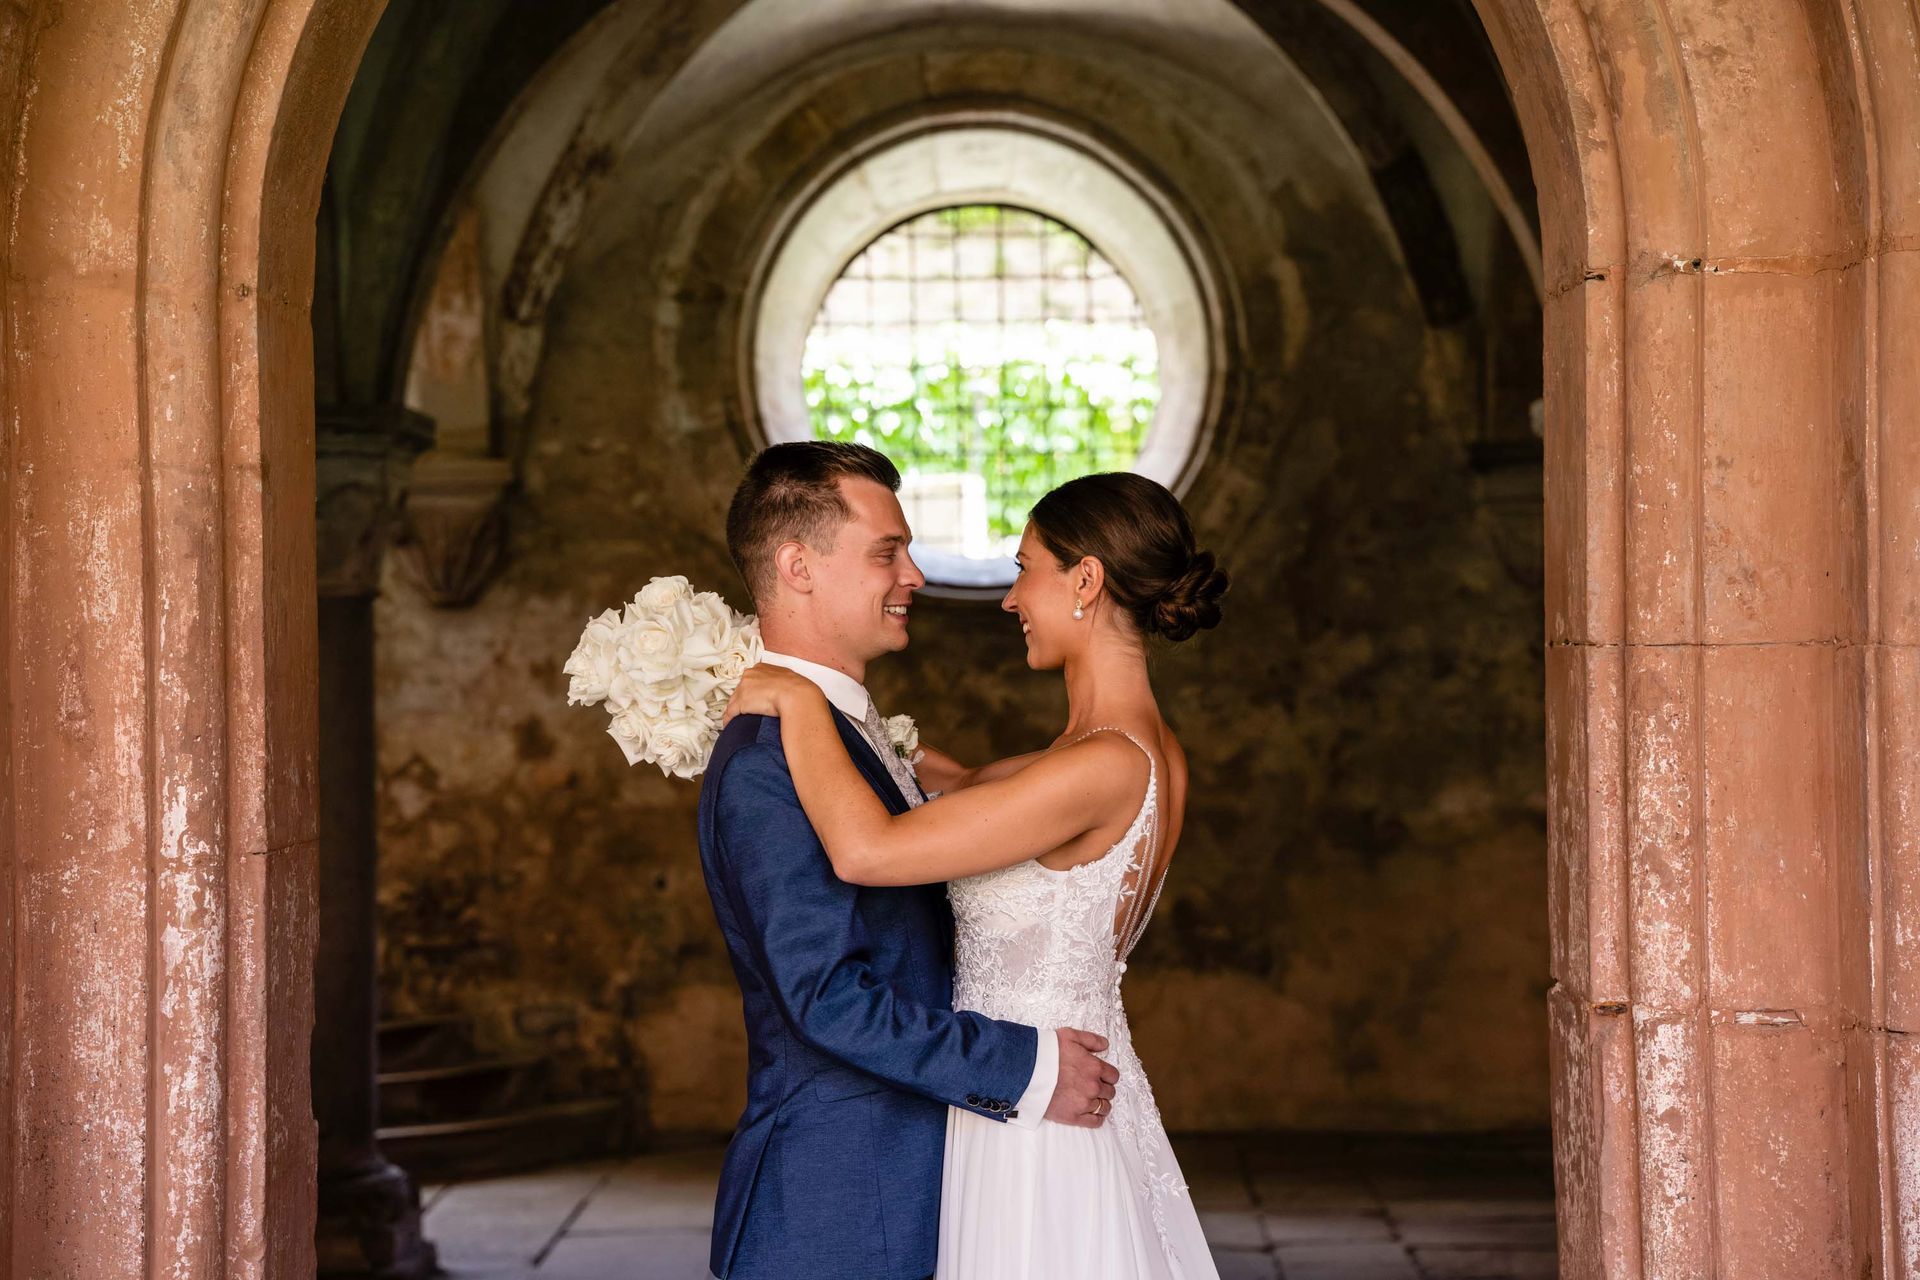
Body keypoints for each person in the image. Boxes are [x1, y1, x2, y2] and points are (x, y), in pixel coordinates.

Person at [725, 468, 1229, 1280]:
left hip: (1035, 1121)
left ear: (1086, 581)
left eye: (1024, 569)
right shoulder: (1134, 751)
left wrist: (800, 702)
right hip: (1046, 1092)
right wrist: (854, 719)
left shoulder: (1099, 766)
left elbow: (870, 851)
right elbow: (961, 789)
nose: (1010, 599)